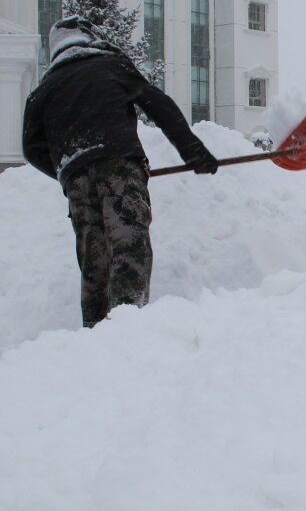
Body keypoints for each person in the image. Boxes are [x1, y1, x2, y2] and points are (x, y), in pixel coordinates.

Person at [22, 17, 220, 328]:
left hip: (76, 177)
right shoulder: (110, 65)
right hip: (119, 164)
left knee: (94, 261)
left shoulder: (43, 90)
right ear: (88, 38)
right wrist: (194, 152)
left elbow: (32, 149)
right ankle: (128, 333)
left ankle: (97, 337)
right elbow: (159, 105)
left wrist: (68, 170)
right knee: (128, 249)